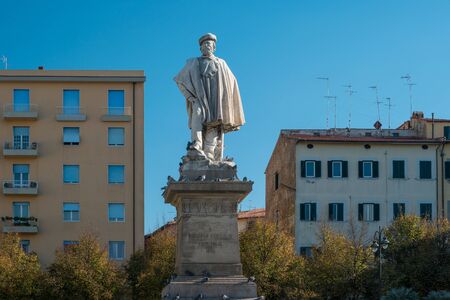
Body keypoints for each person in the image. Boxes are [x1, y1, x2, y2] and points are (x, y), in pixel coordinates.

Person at [174, 33, 245, 161]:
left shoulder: (221, 63)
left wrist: (226, 99)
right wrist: (191, 98)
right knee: (198, 114)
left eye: (209, 44)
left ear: (214, 48)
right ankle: (196, 144)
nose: (207, 46)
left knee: (213, 124)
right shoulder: (193, 62)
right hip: (199, 99)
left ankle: (209, 154)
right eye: (204, 44)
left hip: (216, 100)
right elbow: (180, 80)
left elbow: (232, 81)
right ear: (200, 48)